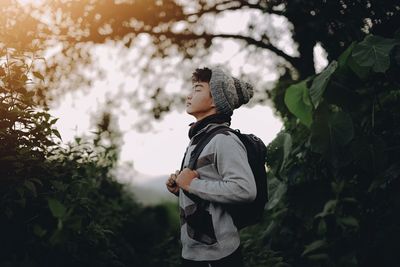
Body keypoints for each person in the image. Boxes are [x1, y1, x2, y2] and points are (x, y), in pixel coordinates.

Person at [165, 66, 256, 267]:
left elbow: (245, 189)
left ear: (215, 99)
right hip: (194, 254)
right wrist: (181, 187)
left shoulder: (224, 139)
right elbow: (207, 186)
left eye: (197, 89)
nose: (189, 95)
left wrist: (192, 185)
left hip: (218, 258)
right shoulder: (198, 139)